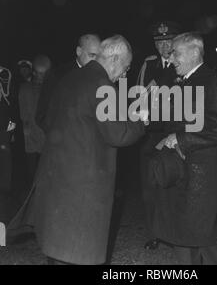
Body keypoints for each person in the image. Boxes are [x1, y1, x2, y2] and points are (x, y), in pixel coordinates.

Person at [8, 35, 145, 265]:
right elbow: (118, 134)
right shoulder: (103, 85)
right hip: (83, 187)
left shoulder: (69, 78)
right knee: (79, 251)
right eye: (126, 66)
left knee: (58, 245)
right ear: (114, 59)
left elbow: (50, 121)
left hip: (57, 177)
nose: (125, 73)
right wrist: (141, 121)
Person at [147, 32, 217, 265]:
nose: (171, 56)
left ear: (195, 53)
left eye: (176, 52)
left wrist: (182, 139)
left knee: (202, 232)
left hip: (200, 176)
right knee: (184, 233)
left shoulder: (214, 82)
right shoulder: (181, 81)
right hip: (180, 170)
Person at [138, 21, 180, 250]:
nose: (164, 46)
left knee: (173, 182)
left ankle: (175, 232)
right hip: (151, 133)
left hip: (174, 133)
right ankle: (155, 232)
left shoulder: (182, 63)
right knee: (149, 185)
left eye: (168, 41)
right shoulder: (148, 64)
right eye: (159, 42)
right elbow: (138, 96)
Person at [35, 34, 101, 132]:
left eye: (99, 56)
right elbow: (42, 116)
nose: (96, 61)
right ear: (79, 51)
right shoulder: (58, 76)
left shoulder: (100, 77)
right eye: (92, 55)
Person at [19, 55, 52, 190]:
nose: (41, 77)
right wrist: (26, 128)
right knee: (32, 171)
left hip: (46, 134)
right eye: (39, 73)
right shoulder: (25, 88)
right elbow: (23, 114)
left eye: (43, 74)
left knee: (43, 170)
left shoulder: (51, 89)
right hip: (32, 134)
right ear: (34, 72)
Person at [0, 65, 17, 220]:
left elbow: (7, 75)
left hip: (3, 143)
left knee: (4, 185)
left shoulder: (5, 106)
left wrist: (8, 133)